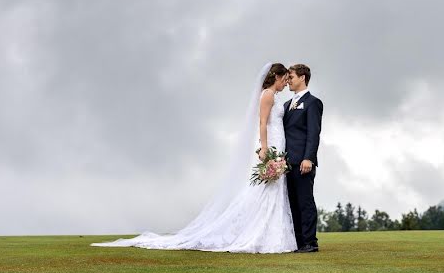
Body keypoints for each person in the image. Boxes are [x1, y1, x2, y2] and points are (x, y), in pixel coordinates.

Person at [91, 63, 298, 253]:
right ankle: (258, 233)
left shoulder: (275, 97)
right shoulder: (267, 96)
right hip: (270, 143)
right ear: (276, 77)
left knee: (274, 188)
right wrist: (264, 148)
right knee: (264, 189)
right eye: (284, 79)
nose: (285, 83)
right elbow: (262, 123)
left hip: (279, 143)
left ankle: (272, 234)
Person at [283, 63, 323, 252]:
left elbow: (313, 133)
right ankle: (298, 242)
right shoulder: (285, 105)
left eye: (291, 77)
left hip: (303, 161)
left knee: (305, 201)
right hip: (286, 163)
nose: (288, 80)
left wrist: (309, 158)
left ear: (302, 78)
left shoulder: (313, 102)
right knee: (292, 202)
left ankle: (310, 242)